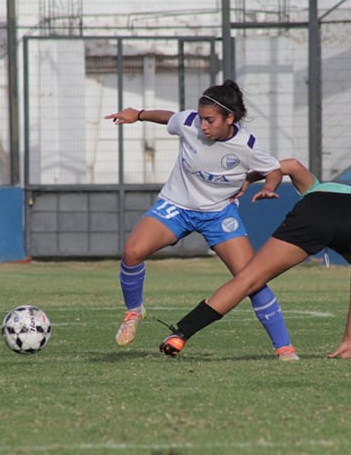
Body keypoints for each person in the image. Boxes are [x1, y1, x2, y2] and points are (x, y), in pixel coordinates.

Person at [159, 161, 351, 360]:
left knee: (248, 279)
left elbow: (289, 165)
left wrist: (254, 180)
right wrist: (348, 341)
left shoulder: (315, 187)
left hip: (311, 216)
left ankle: (181, 334)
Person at [104, 79, 299, 361]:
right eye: (201, 118)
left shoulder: (247, 145)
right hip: (176, 206)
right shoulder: (190, 123)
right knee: (133, 252)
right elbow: (169, 118)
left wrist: (270, 187)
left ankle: (284, 348)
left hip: (218, 214)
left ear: (229, 118)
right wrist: (139, 114)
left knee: (251, 279)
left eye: (210, 120)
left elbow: (273, 170)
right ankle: (134, 311)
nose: (203, 125)